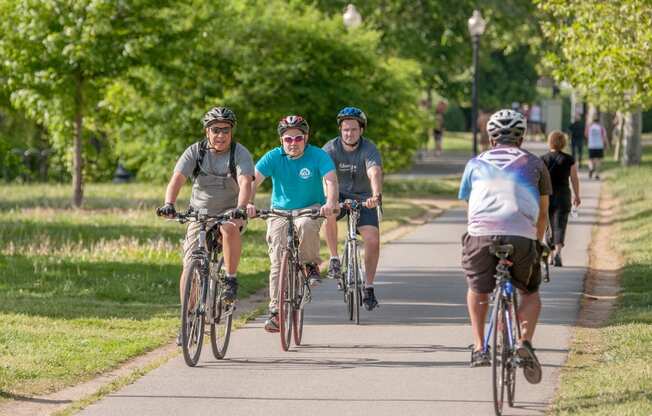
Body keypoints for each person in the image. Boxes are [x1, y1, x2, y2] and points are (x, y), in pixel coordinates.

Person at [458, 109, 551, 384]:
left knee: (477, 288)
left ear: (490, 138)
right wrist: (538, 242)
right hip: (522, 237)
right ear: (521, 138)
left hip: (481, 236)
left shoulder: (475, 163)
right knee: (530, 293)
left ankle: (479, 347)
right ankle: (524, 340)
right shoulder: (535, 164)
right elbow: (543, 213)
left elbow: (469, 204)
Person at [158, 106, 254, 343]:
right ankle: (187, 317)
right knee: (190, 263)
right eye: (215, 130)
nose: (220, 135)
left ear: (231, 132)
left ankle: (230, 278)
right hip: (199, 213)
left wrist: (241, 207)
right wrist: (169, 203)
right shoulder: (195, 151)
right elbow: (177, 180)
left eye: (225, 130)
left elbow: (245, 183)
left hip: (229, 211)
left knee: (229, 228)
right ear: (207, 131)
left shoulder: (239, 154)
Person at [247, 115, 339, 333]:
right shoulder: (273, 157)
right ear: (281, 140)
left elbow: (331, 180)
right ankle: (276, 312)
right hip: (279, 211)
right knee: (277, 261)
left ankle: (309, 264)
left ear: (305, 138)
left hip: (310, 208)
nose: (293, 143)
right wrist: (248, 203)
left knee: (306, 225)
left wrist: (330, 202)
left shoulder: (318, 155)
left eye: (298, 138)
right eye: (288, 139)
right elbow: (253, 180)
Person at [323, 107, 383, 311]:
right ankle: (333, 259)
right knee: (328, 213)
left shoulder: (369, 148)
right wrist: (330, 200)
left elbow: (374, 171)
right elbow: (325, 176)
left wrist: (375, 196)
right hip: (337, 195)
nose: (349, 133)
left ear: (361, 130)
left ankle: (368, 287)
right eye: (346, 129)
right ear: (340, 130)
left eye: (354, 129)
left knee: (373, 239)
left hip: (363, 198)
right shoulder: (330, 148)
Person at [541, 131, 581, 267]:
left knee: (548, 225)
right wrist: (577, 195)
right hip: (563, 195)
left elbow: (538, 180)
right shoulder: (569, 159)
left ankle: (551, 255)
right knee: (560, 224)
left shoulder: (543, 159)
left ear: (550, 142)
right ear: (563, 142)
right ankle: (558, 252)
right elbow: (574, 178)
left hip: (547, 195)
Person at [585, 115, 609, 180]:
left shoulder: (590, 127)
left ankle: (591, 168)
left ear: (593, 121)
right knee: (598, 160)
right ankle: (597, 174)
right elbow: (604, 137)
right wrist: (607, 145)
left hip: (591, 146)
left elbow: (586, 135)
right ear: (599, 121)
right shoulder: (601, 128)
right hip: (599, 146)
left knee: (591, 159)